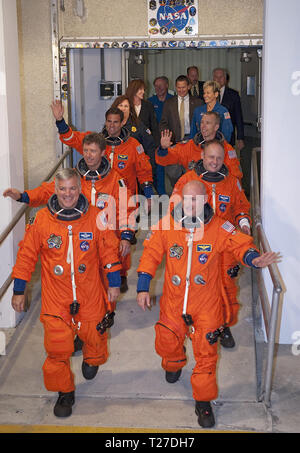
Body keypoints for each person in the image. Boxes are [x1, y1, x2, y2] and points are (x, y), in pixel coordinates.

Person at [136, 179, 280, 428]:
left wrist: (253, 259)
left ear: (205, 200)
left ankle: (203, 402)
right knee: (167, 341)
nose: (191, 204)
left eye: (196, 199)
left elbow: (240, 244)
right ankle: (174, 362)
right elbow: (150, 253)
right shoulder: (167, 225)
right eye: (187, 199)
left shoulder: (219, 227)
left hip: (206, 305)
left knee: (206, 355)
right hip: (174, 301)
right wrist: (142, 286)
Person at [11, 169, 122, 417]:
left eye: (72, 188)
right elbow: (26, 256)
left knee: (95, 334)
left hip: (90, 292)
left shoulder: (96, 217)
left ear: (80, 188)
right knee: (57, 347)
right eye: (62, 189)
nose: (68, 194)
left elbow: (109, 251)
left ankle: (92, 357)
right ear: (55, 190)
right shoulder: (41, 220)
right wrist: (20, 290)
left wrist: (114, 282)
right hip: (56, 297)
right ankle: (64, 392)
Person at [4, 132, 135, 294]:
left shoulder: (116, 180)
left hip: (106, 239)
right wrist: (23, 196)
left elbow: (125, 210)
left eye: (93, 151)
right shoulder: (72, 178)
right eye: (86, 150)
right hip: (80, 237)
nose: (88, 155)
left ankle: (106, 314)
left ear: (102, 152)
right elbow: (47, 190)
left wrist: (126, 236)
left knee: (106, 283)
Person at [171, 139, 251, 347]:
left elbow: (241, 206)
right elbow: (174, 208)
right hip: (196, 246)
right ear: (202, 157)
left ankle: (222, 327)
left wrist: (243, 223)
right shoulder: (188, 179)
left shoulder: (232, 181)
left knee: (226, 291)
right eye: (210, 157)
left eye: (218, 157)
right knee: (195, 288)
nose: (214, 162)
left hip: (224, 246)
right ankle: (187, 328)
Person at [50, 101, 154, 214]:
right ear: (105, 122)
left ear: (122, 123)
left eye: (115, 122)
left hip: (124, 199)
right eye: (109, 121)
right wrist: (60, 121)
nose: (111, 125)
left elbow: (144, 172)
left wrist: (149, 197)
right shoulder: (95, 142)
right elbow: (71, 138)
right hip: (99, 201)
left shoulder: (133, 145)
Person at [156, 111, 242, 181]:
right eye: (202, 123)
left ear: (216, 127)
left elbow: (235, 177)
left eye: (207, 123)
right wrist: (163, 149)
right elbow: (167, 159)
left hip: (217, 192)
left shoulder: (227, 149)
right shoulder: (190, 146)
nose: (203, 126)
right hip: (195, 193)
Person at [159, 75, 203, 189]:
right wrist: (167, 137)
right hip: (175, 143)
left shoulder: (198, 103)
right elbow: (163, 122)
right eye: (178, 87)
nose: (181, 90)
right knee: (174, 175)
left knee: (193, 178)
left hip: (192, 143)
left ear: (188, 86)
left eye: (183, 87)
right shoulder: (169, 103)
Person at [110, 95, 157, 193]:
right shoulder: (110, 127)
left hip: (135, 174)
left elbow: (150, 148)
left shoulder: (138, 126)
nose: (123, 108)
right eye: (120, 105)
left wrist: (148, 171)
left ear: (130, 109)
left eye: (126, 106)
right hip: (114, 175)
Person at [148, 76, 174, 195]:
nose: (158, 88)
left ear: (167, 85)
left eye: (161, 85)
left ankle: (177, 194)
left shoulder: (173, 100)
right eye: (156, 86)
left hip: (172, 139)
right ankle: (161, 194)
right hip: (156, 141)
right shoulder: (150, 102)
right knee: (158, 168)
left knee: (174, 169)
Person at [212, 67, 245, 150]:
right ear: (213, 78)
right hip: (211, 137)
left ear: (226, 79)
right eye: (216, 77)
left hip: (228, 136)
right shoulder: (207, 93)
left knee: (227, 161)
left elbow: (238, 117)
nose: (218, 79)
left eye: (221, 77)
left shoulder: (234, 95)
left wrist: (240, 138)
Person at [125, 79, 160, 148]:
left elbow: (154, 127)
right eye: (140, 89)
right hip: (128, 145)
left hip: (146, 145)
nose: (143, 92)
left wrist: (156, 145)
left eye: (144, 89)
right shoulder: (125, 105)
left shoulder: (148, 105)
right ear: (133, 90)